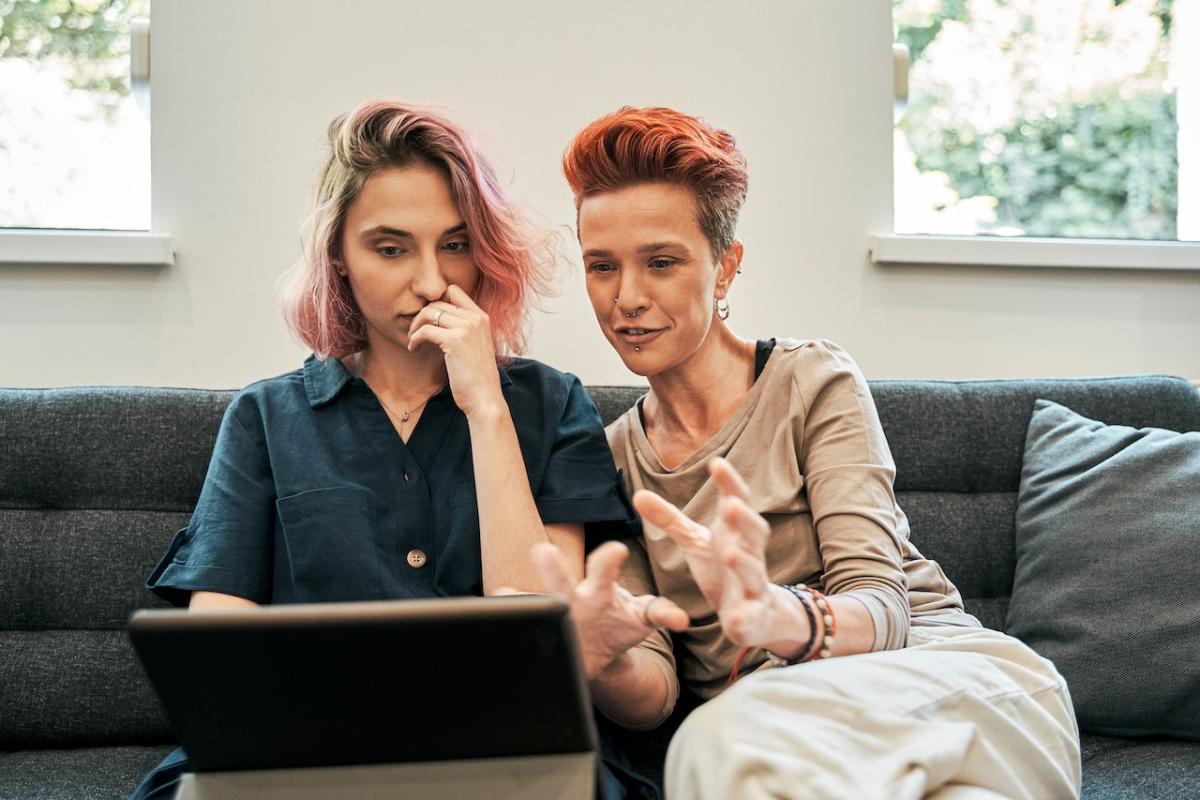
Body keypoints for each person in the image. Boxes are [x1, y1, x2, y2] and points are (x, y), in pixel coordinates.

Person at [533, 106, 1083, 799]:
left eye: (662, 262)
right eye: (602, 266)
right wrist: (601, 660)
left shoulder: (811, 380)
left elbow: (882, 606)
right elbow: (656, 693)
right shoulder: (610, 460)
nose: (628, 297)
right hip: (809, 752)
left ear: (725, 267)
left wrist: (775, 616)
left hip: (954, 683)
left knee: (718, 740)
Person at [130, 98, 648, 799]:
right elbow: (223, 656)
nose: (432, 282)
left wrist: (485, 407)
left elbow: (536, 624)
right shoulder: (265, 417)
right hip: (308, 757)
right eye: (390, 247)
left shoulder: (551, 405)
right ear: (338, 256)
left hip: (504, 754)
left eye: (456, 244)